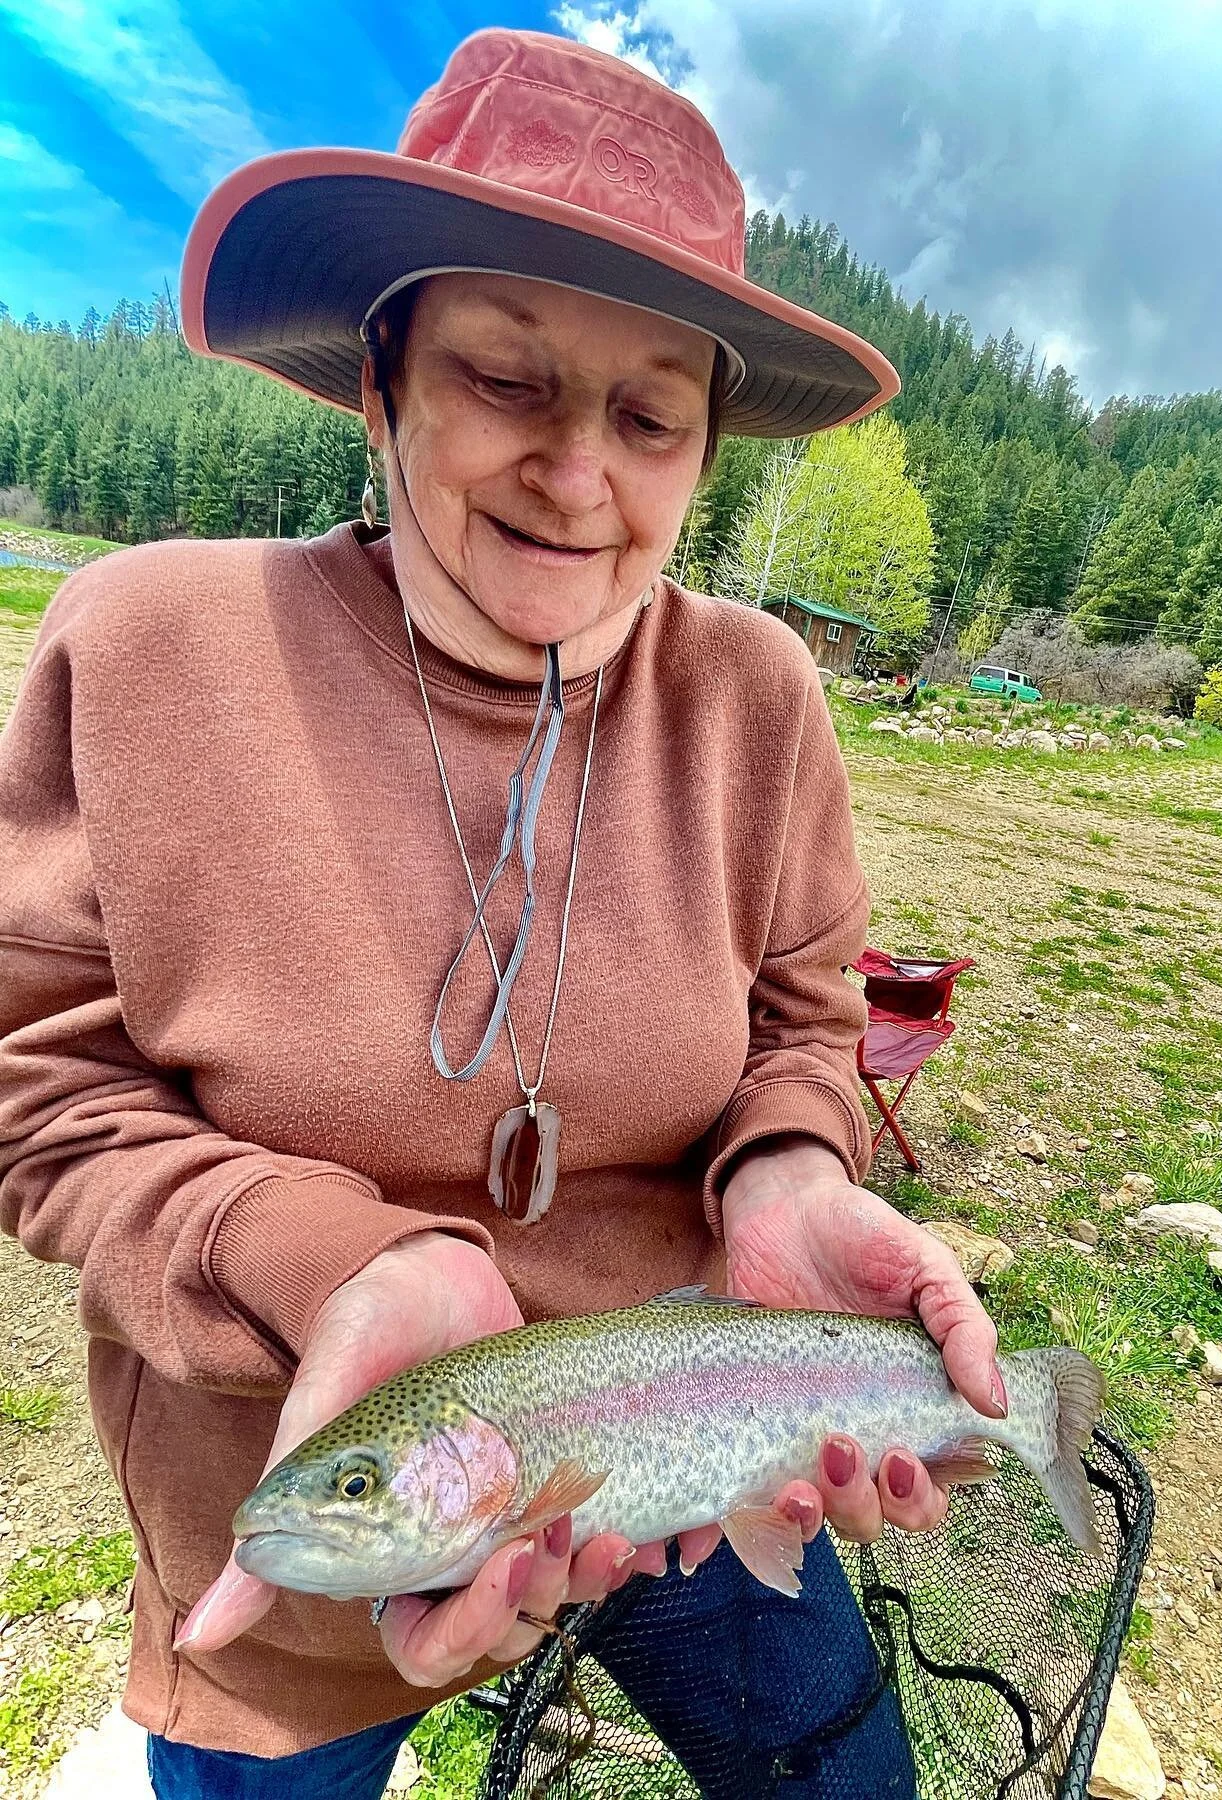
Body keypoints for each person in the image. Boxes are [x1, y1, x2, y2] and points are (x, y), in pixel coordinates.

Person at [0, 28, 1006, 1799]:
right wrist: (340, 1262)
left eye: (646, 415)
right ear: (383, 376)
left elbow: (807, 1017)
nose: (577, 474)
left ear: (703, 451)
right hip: (299, 1484)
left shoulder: (760, 694)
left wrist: (788, 1167)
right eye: (508, 380)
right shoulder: (145, 648)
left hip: (692, 1446)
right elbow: (44, 1093)